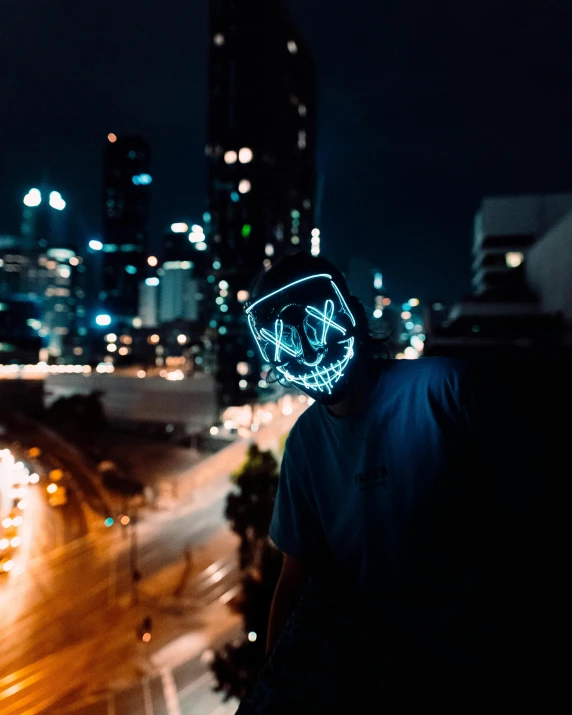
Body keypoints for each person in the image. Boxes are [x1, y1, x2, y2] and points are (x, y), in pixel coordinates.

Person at [238, 251, 556, 712]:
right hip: (381, 680)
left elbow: (533, 507)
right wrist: (274, 684)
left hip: (486, 662)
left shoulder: (447, 389)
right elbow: (294, 575)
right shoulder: (305, 444)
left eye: (317, 324)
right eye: (284, 342)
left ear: (351, 313)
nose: (308, 351)